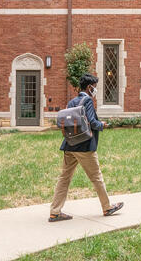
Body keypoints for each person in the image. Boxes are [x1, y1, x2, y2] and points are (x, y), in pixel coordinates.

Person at [49, 73, 123, 222]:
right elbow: (92, 122)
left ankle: (55, 212)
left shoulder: (72, 102)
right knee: (96, 177)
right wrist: (101, 125)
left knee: (64, 178)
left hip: (69, 145)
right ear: (89, 87)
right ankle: (107, 207)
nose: (95, 90)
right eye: (94, 87)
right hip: (84, 146)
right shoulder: (87, 100)